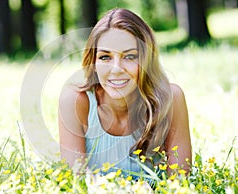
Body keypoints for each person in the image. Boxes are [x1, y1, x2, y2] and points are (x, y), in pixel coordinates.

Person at [58, 8, 191, 180]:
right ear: (93, 62)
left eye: (129, 57)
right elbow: (75, 181)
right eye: (105, 57)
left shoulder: (171, 99)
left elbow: (180, 181)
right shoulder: (76, 100)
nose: (116, 69)